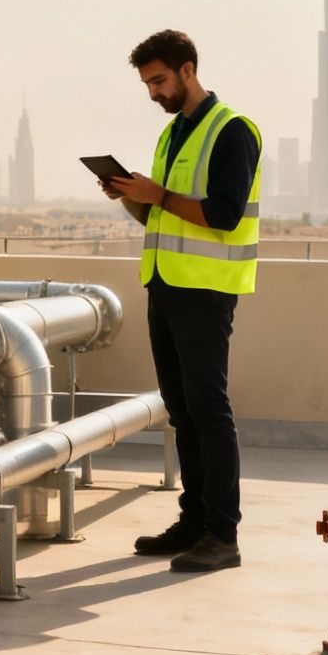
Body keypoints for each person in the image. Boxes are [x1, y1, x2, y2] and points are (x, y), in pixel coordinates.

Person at [99, 29, 261, 573]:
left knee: (210, 410)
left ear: (188, 69)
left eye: (159, 80)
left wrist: (159, 195)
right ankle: (193, 520)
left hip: (206, 289)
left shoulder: (231, 130)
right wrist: (131, 197)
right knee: (183, 410)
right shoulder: (173, 136)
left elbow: (223, 214)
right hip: (166, 284)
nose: (152, 93)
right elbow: (160, 214)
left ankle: (223, 534)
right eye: (147, 83)